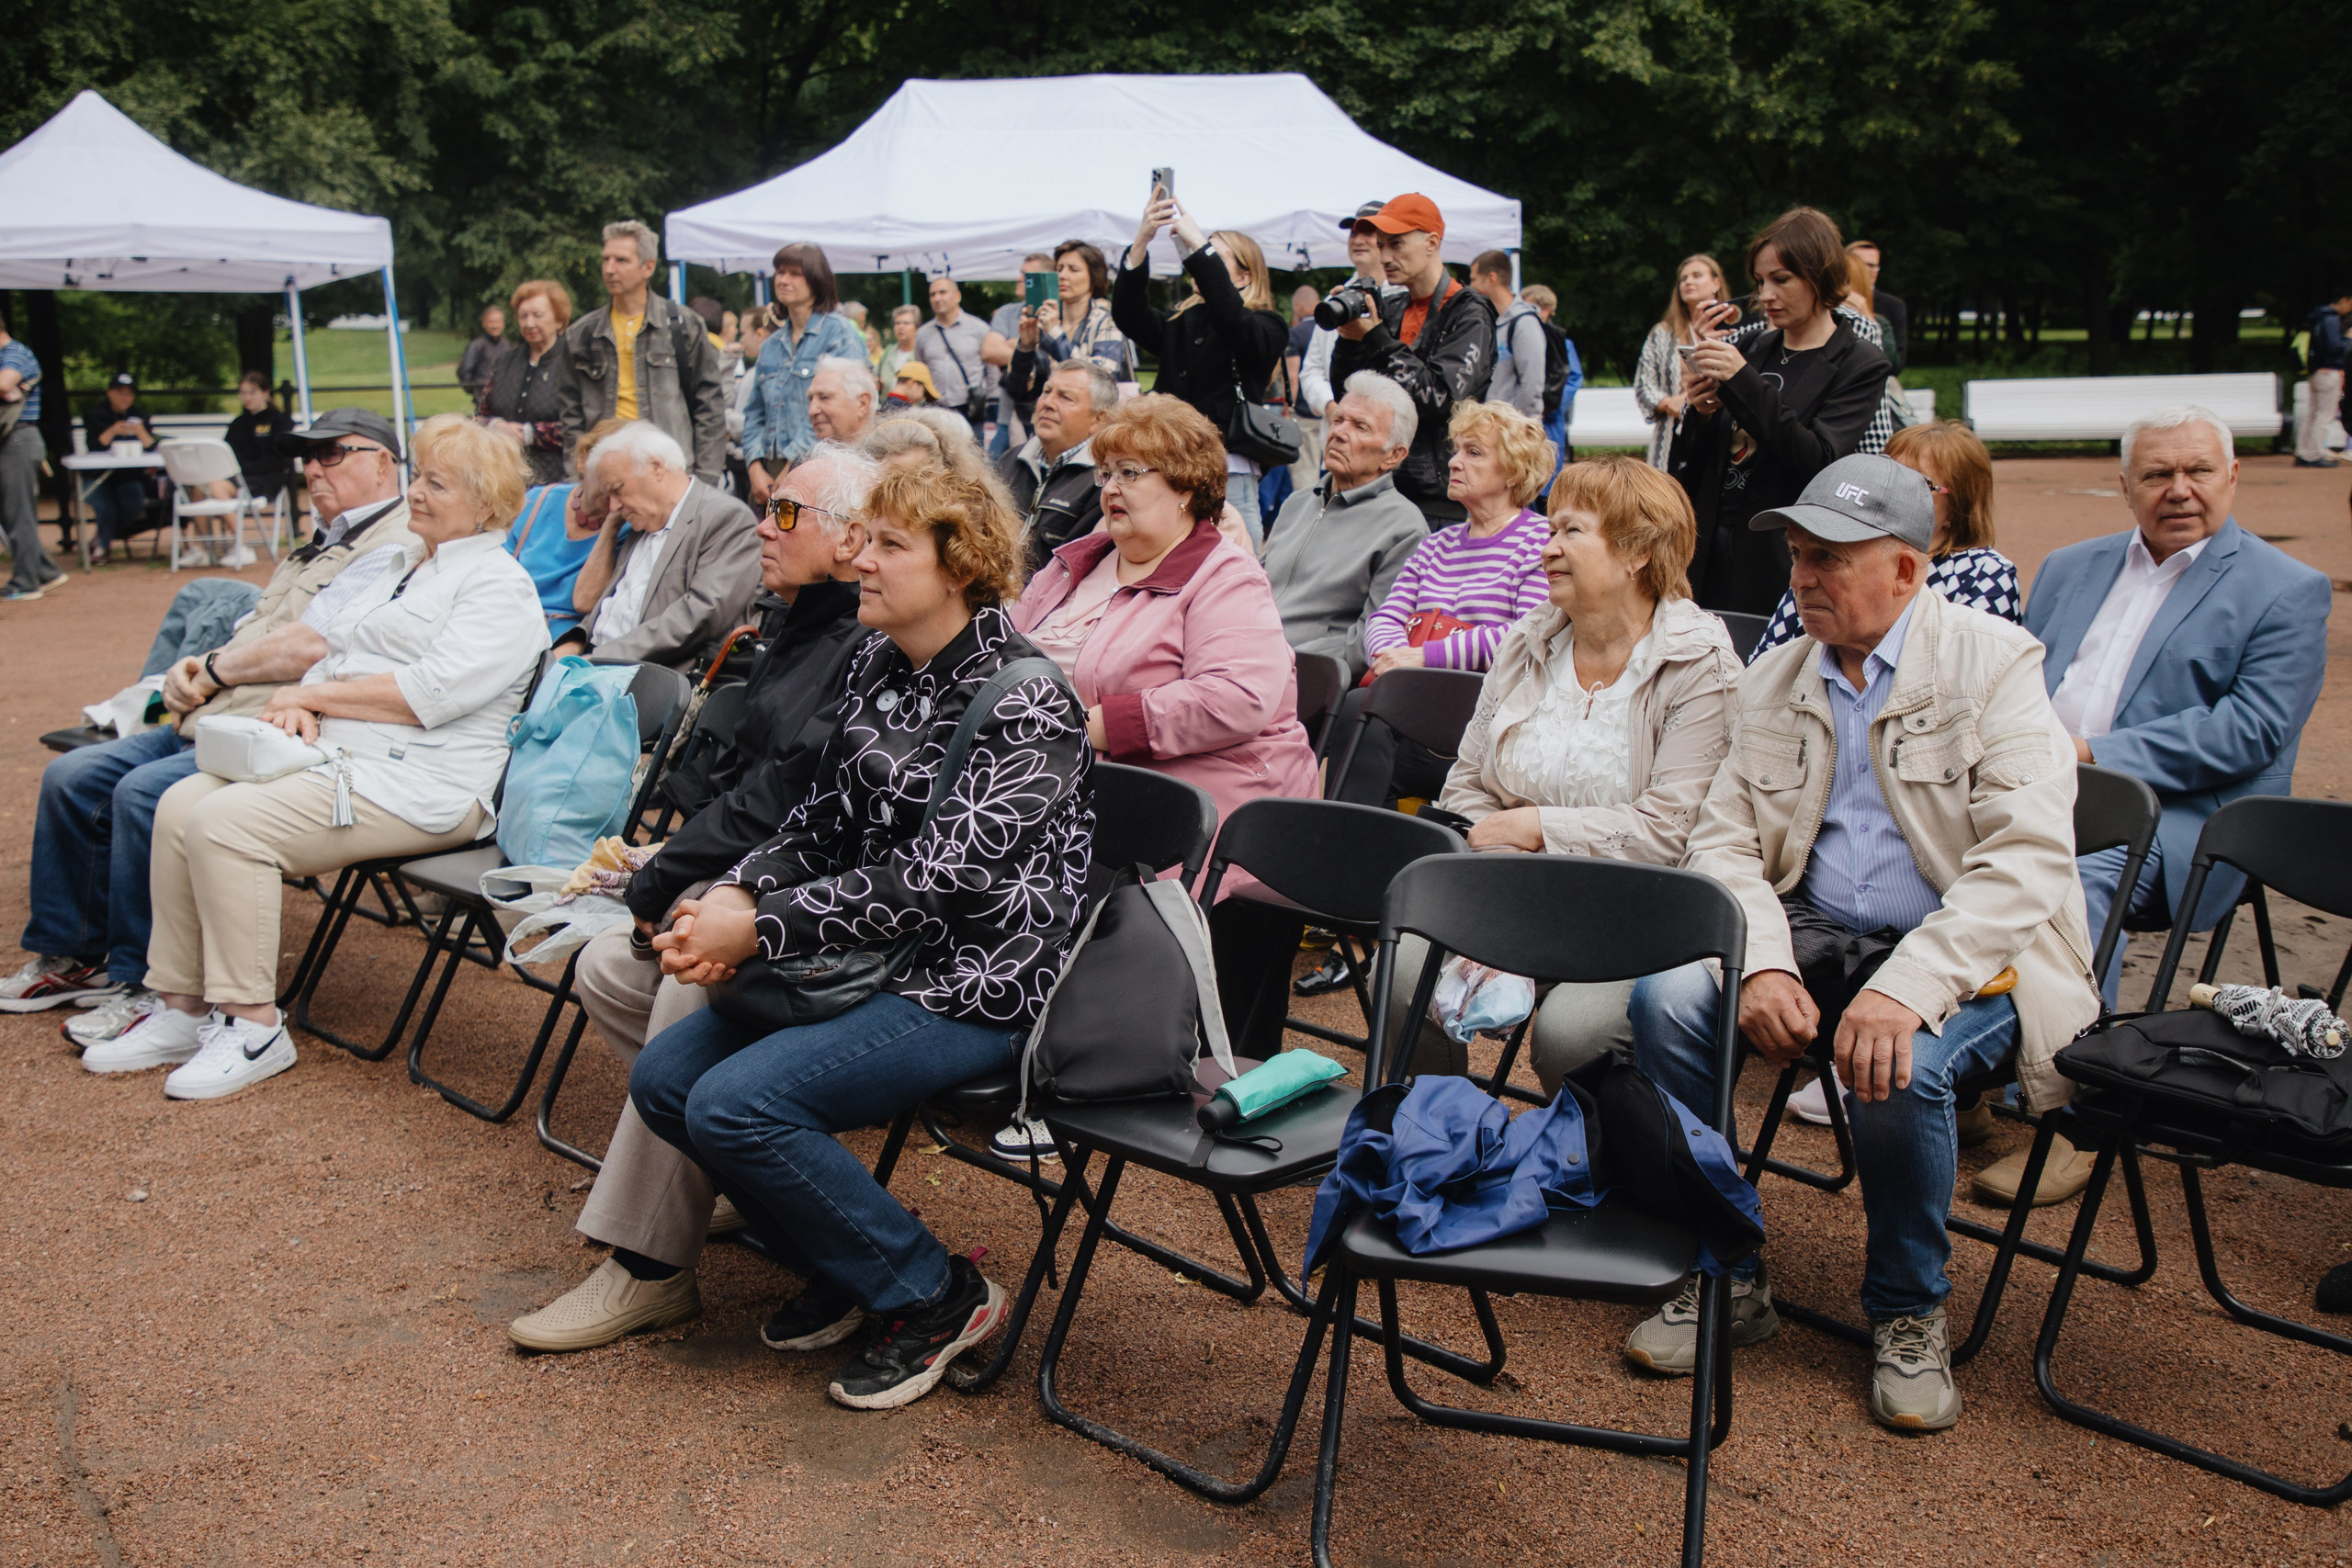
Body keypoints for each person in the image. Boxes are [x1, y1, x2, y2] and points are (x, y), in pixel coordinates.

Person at [1621, 452, 2097, 1435]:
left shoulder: (1996, 664)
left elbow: (2024, 865)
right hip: (1814, 936)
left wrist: (1908, 986)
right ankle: (1725, 1269)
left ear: (1909, 570)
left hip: (1974, 957)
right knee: (1663, 996)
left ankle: (1907, 1307)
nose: (1801, 578)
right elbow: (1720, 840)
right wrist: (1757, 960)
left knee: (1899, 1060)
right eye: (1797, 556)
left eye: (1830, 557)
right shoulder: (1779, 672)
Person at [627, 452, 1091, 1412]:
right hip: (870, 958)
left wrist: (761, 925)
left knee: (734, 1107)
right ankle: (849, 1269)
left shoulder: (1027, 699)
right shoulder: (882, 661)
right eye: (862, 540)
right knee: (665, 1081)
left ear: (957, 566)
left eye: (887, 545)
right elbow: (819, 824)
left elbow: (936, 886)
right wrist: (729, 900)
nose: (861, 562)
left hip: (970, 985)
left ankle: (935, 1294)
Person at [507, 447, 881, 1353]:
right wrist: (669, 855)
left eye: (787, 513)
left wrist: (669, 880)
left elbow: (790, 804)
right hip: (763, 887)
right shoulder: (793, 625)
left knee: (685, 982)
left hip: (832, 920)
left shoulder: (862, 642)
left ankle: (648, 1268)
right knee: (603, 967)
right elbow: (749, 789)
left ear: (850, 539)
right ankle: (731, 1163)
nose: (761, 524)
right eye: (766, 507)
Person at [100, 416, 548, 1099]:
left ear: (486, 504)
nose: (416, 492)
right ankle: (181, 1006)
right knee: (178, 802)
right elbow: (331, 650)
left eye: (436, 482)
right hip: (346, 762)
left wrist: (315, 697)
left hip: (425, 788)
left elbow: (429, 693)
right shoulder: (403, 564)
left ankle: (253, 1026)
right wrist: (304, 697)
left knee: (225, 821)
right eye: (418, 476)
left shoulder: (499, 586)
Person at [4, 409, 417, 1033]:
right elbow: (262, 627)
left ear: (383, 462)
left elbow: (311, 644)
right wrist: (191, 672)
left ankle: (148, 980)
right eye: (307, 457)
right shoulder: (326, 536)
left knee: (144, 795)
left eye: (332, 454)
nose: (312, 468)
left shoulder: (394, 543)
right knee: (72, 776)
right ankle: (76, 954)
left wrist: (213, 669)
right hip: (216, 713)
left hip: (275, 728)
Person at [1008, 392, 1316, 1129]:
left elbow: (1239, 697)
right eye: (1103, 469)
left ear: (1185, 487)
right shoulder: (1074, 563)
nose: (1108, 487)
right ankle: (997, 1046)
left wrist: (1095, 726)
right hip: (1069, 783)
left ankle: (1069, 1069)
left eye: (1130, 471)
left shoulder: (1224, 576)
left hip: (1205, 803)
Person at [1383, 456, 1738, 1084]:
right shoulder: (1527, 641)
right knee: (1403, 972)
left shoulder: (1698, 664)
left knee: (1570, 1035)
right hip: (1510, 888)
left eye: (1571, 532)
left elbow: (1671, 830)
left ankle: (1588, 1167)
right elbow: (1467, 781)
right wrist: (1504, 879)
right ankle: (1438, 1139)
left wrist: (1532, 827)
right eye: (1549, 531)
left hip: (1638, 911)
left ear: (1636, 552)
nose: (1547, 549)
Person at [2027, 404, 2331, 1000]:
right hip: (2039, 788)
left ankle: (2057, 1077)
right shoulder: (2067, 567)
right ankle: (1913, 1059)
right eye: (2157, 475)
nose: (2180, 490)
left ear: (2233, 475)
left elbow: (2249, 730)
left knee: (2065, 882)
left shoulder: (2287, 589)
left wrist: (2089, 751)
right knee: (1905, 849)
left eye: (2199, 470)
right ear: (2125, 485)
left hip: (2175, 819)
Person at [1668, 206, 1893, 615]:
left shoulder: (1860, 362)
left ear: (1819, 275)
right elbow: (1690, 467)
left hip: (1781, 560)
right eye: (1760, 281)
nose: (1765, 295)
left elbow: (1818, 460)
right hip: (1707, 551)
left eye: (1781, 279)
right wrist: (1699, 413)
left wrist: (1742, 382)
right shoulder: (1753, 348)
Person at [1329, 400, 1554, 807]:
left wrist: (1421, 658)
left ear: (1513, 472)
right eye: (1457, 450)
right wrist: (1389, 657)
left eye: (1473, 452)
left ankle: (1343, 844)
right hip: (1408, 699)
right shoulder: (1437, 544)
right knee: (1360, 715)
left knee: (1361, 716)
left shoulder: (1539, 542)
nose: (1453, 462)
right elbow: (1386, 615)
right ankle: (1351, 841)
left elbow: (1523, 635)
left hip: (1479, 713)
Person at [1752, 421, 2019, 656]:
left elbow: (1972, 670)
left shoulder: (1984, 572)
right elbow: (1767, 662)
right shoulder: (1823, 560)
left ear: (1961, 502)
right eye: (1888, 476)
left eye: (1919, 484)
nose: (1893, 492)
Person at [1111, 193, 1287, 547]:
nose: (1196, 262)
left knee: (1237, 562)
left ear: (1244, 275)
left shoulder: (1267, 324)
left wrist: (1197, 245)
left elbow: (1235, 322)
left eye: (1212, 254)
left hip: (1228, 470)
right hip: (1168, 466)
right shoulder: (1183, 321)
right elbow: (1128, 314)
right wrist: (1142, 240)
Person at [1329, 194, 1498, 527]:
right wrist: (1349, 341)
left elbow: (1444, 399)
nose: (1386, 257)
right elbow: (1348, 396)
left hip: (1434, 502)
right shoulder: (1390, 309)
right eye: (1381, 245)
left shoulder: (1469, 313)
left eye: (1397, 245)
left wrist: (1376, 338)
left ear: (1432, 243)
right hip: (1375, 489)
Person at [1261, 372, 1426, 681]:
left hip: (1303, 677)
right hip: (1241, 656)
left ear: (1394, 455)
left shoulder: (1404, 528)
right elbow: (1252, 588)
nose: (1339, 433)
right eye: (1338, 420)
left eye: (1360, 427)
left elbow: (1370, 638)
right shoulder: (1297, 503)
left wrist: (1282, 659)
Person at [561, 422, 762, 670]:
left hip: (653, 677)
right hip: (596, 662)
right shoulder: (641, 521)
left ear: (657, 468)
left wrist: (600, 658)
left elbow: (700, 616)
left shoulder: (726, 518)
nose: (613, 508)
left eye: (616, 490)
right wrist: (574, 643)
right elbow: (609, 604)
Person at [559, 220, 729, 485]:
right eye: (606, 259)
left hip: (668, 468)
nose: (609, 269)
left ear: (648, 267)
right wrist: (576, 475)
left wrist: (705, 478)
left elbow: (710, 407)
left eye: (621, 260)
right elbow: (570, 416)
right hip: (603, 470)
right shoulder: (581, 333)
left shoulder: (684, 325)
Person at [742, 243, 869, 507]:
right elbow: (754, 412)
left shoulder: (840, 333)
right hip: (768, 471)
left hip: (822, 465)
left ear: (815, 279)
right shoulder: (770, 345)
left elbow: (841, 409)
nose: (783, 280)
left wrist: (793, 465)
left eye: (794, 274)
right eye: (779, 272)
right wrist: (754, 466)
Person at [503, 417, 622, 639]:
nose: (609, 487)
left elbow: (585, 601)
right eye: (604, 473)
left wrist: (611, 526)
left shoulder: (627, 527)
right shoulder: (539, 500)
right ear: (582, 460)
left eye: (620, 482)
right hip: (511, 626)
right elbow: (496, 574)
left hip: (568, 641)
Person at [998, 357, 1114, 574]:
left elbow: (1073, 572)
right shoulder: (1010, 460)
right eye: (1046, 392)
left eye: (1066, 398)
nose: (1048, 403)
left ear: (1099, 420)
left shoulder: (1104, 482)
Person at [1001, 240, 1131, 429]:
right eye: (1060, 268)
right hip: (1044, 428)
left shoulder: (1107, 321)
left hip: (1090, 431)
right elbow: (1018, 392)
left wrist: (1055, 334)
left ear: (1093, 277)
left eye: (1073, 269)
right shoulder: (1046, 321)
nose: (1062, 275)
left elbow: (1100, 382)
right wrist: (1025, 348)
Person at [1298, 201, 1401, 423]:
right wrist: (1329, 404)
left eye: (1368, 232)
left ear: (1387, 241)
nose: (1358, 239)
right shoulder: (1335, 300)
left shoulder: (1403, 296)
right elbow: (1312, 370)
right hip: (1337, 432)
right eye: (1353, 233)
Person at [1634, 255, 1733, 470]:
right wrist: (1669, 403)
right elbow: (1643, 386)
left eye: (1697, 276)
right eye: (1683, 278)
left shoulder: (1734, 330)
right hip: (1673, 434)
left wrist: (1691, 399)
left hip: (1722, 432)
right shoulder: (1662, 333)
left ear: (1716, 283)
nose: (1688, 282)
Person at [477, 278, 574, 486]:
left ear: (558, 320)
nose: (529, 323)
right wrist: (496, 426)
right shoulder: (504, 362)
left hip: (558, 482)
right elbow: (480, 415)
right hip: (504, 480)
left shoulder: (573, 363)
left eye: (537, 315)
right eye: (523, 316)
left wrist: (530, 434)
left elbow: (582, 424)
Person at [0, 305, 57, 601]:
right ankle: (46, 572)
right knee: (10, 515)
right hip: (8, 440)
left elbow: (3, 384)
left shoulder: (16, 353)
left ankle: (26, 583)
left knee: (18, 513)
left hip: (19, 439)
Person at [981, 253, 1059, 457]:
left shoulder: (1060, 315)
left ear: (1043, 280)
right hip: (1009, 417)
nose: (1018, 278)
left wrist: (1014, 345)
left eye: (1026, 276)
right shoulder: (1007, 312)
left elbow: (1062, 357)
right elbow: (989, 351)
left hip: (1053, 418)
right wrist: (1028, 348)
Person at [82, 372, 160, 565]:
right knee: (105, 507)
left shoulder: (140, 416)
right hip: (99, 476)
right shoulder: (94, 416)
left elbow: (151, 447)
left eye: (129, 393)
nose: (125, 397)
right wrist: (113, 431)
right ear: (109, 393)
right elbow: (94, 446)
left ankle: (101, 538)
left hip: (128, 476)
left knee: (133, 504)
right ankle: (102, 547)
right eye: (120, 392)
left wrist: (140, 431)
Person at [1471, 252, 1547, 423]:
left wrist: (1517, 427)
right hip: (1493, 428)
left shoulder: (1524, 323)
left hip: (1513, 432)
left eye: (1474, 279)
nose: (1471, 286)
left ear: (1491, 279)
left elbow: (1531, 385)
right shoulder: (1494, 321)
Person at [915, 276, 991, 438]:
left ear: (957, 296)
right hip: (935, 410)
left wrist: (989, 401)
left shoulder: (979, 329)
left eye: (942, 292)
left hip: (970, 409)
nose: (937, 298)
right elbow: (920, 370)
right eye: (932, 294)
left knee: (974, 458)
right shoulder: (923, 334)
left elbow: (992, 370)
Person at [2297, 291, 2350, 468]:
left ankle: (2303, 452)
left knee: (2311, 413)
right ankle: (2315, 454)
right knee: (2324, 415)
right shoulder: (2332, 320)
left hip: (2316, 371)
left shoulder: (2319, 318)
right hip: (2329, 371)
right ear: (2344, 300)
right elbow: (2335, 347)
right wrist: (2348, 340)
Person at [219, 372, 292, 502]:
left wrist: (243, 468)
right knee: (200, 485)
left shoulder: (279, 421)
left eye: (252, 392)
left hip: (266, 479)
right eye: (243, 393)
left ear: (266, 393)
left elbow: (280, 459)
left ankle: (234, 523)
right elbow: (225, 454)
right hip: (239, 477)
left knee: (218, 486)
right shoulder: (238, 424)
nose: (247, 398)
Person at [1846, 240, 1909, 372]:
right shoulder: (1827, 304)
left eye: (1875, 265)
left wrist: (1870, 320)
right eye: (1864, 265)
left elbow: (1895, 365)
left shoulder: (1893, 306)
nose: (1872, 270)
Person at [805, 355, 877, 446]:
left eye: (824, 397)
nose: (812, 411)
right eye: (810, 400)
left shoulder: (891, 457)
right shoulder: (811, 458)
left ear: (862, 404)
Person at [457, 304, 514, 400]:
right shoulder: (477, 345)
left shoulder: (506, 344)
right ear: (484, 323)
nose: (495, 325)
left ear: (503, 324)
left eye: (498, 322)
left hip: (504, 398)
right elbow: (465, 372)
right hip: (483, 399)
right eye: (491, 322)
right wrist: (476, 390)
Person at [876, 304, 921, 387]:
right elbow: (876, 376)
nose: (901, 327)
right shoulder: (888, 352)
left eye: (906, 323)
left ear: (917, 327)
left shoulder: (921, 354)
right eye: (897, 323)